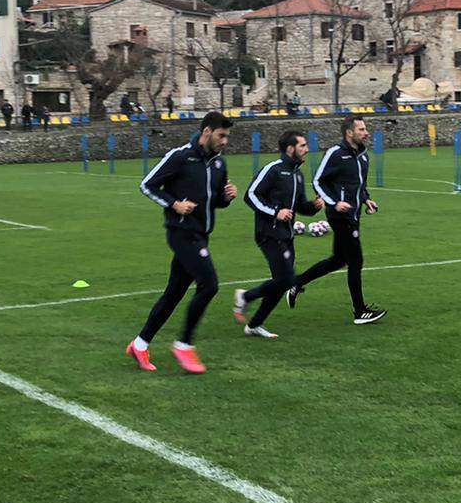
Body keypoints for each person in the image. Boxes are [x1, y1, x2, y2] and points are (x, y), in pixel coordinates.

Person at [128, 111, 237, 372]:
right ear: (207, 132)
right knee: (209, 284)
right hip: (181, 234)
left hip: (201, 235)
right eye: (221, 136)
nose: (224, 141)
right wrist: (174, 204)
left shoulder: (219, 164)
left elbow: (216, 201)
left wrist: (227, 197)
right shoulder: (180, 157)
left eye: (227, 137)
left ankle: (140, 344)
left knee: (174, 293)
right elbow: (147, 185)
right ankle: (184, 345)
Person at [291, 114, 385, 325]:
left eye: (365, 129)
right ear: (349, 132)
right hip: (340, 216)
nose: (366, 132)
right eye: (361, 129)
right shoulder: (335, 153)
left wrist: (367, 200)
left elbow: (359, 186)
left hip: (353, 214)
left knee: (338, 260)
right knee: (356, 260)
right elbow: (318, 181)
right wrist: (334, 203)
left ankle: (296, 283)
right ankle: (360, 311)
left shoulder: (363, 155)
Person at [233, 130, 323, 338]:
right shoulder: (273, 170)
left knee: (281, 282)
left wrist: (314, 206)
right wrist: (275, 212)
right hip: (269, 234)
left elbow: (300, 206)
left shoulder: (297, 175)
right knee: (287, 279)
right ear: (290, 149)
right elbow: (250, 195)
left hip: (287, 235)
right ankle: (246, 296)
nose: (307, 149)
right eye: (302, 146)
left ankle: (254, 325)